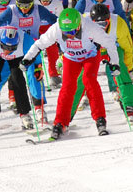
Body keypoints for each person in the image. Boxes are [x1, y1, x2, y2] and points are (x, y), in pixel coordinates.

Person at [21, 8, 120, 139]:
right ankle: (60, 122)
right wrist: (28, 58)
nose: (70, 36)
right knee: (67, 87)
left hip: (89, 56)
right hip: (70, 58)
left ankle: (100, 119)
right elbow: (40, 44)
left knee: (89, 81)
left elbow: (109, 43)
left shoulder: (90, 27)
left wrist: (115, 63)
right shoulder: (56, 29)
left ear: (79, 25)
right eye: (66, 33)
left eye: (73, 32)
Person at [0, 25, 41, 131]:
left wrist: (38, 66)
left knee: (18, 79)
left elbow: (36, 52)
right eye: (5, 47)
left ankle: (24, 114)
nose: (7, 51)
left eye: (11, 49)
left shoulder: (25, 41)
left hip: (16, 56)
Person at [88, 3, 133, 121]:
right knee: (84, 72)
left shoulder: (118, 24)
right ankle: (67, 114)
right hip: (94, 48)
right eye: (97, 24)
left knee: (120, 67)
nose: (101, 27)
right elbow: (75, 46)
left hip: (113, 48)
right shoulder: (85, 24)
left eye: (104, 24)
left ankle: (128, 104)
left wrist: (129, 68)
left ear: (109, 20)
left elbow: (127, 48)